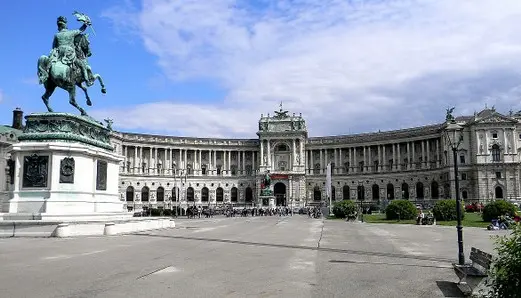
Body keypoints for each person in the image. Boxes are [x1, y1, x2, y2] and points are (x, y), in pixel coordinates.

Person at [47, 16, 92, 85]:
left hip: (58, 54)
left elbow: (53, 47)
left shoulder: (56, 35)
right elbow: (81, 30)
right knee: (82, 65)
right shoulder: (71, 32)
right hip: (69, 54)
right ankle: (87, 81)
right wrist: (86, 24)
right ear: (65, 25)